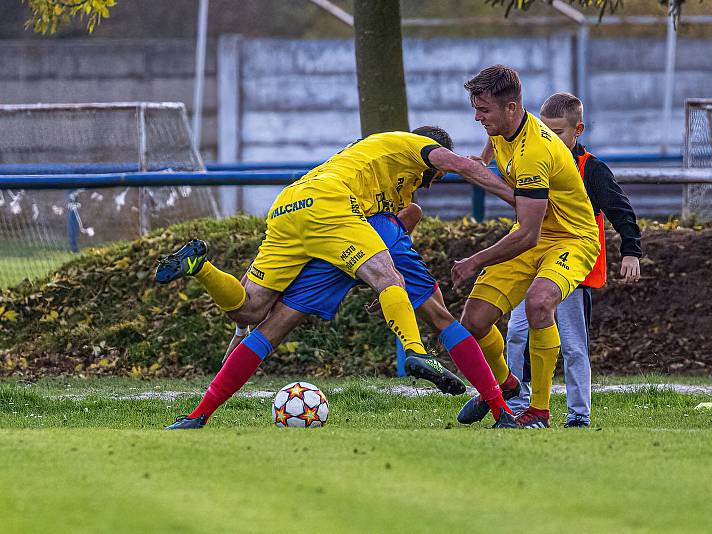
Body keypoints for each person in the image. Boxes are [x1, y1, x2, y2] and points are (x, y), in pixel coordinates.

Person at [155, 127, 517, 429]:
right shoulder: (417, 147)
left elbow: (409, 215)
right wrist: (516, 198)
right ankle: (430, 362)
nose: (430, 185)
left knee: (254, 313)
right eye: (433, 178)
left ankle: (199, 412)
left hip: (293, 206)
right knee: (424, 304)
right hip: (337, 212)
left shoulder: (369, 165)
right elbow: (454, 172)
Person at [451, 65, 600, 429]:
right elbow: (496, 142)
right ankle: (505, 385)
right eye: (476, 108)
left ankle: (539, 411)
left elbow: (528, 233)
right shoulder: (503, 127)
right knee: (474, 321)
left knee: (538, 301)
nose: (477, 117)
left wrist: (474, 260)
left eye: (484, 110)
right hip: (535, 233)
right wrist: (484, 160)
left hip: (571, 239)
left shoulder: (536, 151)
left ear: (512, 108)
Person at [502, 92, 642, 427]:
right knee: (516, 333)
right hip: (532, 266)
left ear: (578, 130)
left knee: (573, 346)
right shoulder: (532, 160)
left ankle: (579, 414)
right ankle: (519, 407)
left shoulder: (591, 169)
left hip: (572, 272)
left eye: (559, 133)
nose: (551, 139)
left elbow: (621, 211)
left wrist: (632, 251)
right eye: (544, 131)